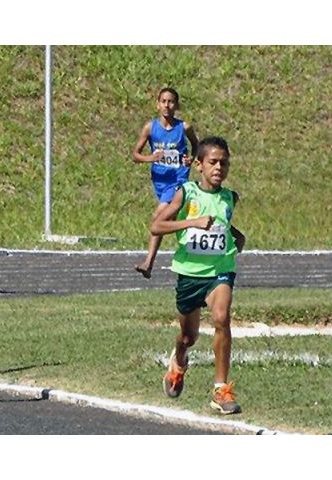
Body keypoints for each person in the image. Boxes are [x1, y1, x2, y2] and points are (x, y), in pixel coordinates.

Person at [150, 136, 246, 415]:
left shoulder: (230, 198)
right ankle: (178, 360)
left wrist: (236, 236)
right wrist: (192, 222)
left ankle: (221, 389)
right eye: (213, 162)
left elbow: (223, 223)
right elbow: (157, 226)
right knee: (188, 336)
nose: (219, 168)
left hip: (220, 269)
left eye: (224, 163)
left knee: (221, 318)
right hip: (189, 273)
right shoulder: (186, 193)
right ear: (199, 165)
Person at [132, 87, 198, 279]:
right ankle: (189, 232)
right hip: (160, 181)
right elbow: (135, 155)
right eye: (163, 101)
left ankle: (148, 263)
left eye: (171, 102)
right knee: (164, 220)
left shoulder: (183, 127)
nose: (167, 105)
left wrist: (191, 159)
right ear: (157, 104)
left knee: (158, 217)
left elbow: (197, 146)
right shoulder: (150, 128)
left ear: (176, 105)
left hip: (178, 178)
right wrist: (151, 158)